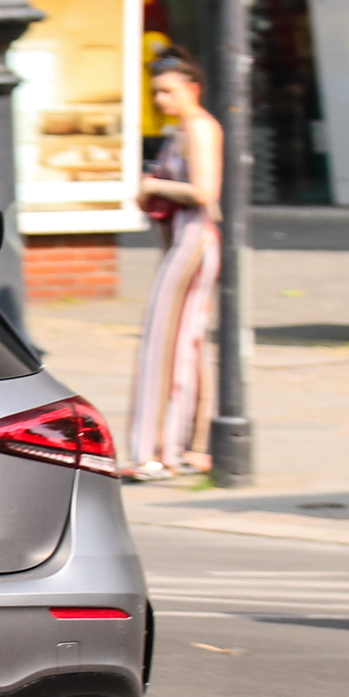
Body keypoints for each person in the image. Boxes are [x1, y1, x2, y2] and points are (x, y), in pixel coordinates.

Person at [124, 54, 224, 482]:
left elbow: (205, 190)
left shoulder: (200, 127)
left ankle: (156, 451)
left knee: (163, 342)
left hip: (193, 239)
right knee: (186, 343)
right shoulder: (179, 130)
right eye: (157, 92)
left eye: (170, 90)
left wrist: (152, 186)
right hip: (183, 239)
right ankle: (189, 447)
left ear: (193, 88)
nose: (162, 99)